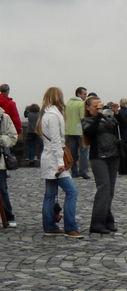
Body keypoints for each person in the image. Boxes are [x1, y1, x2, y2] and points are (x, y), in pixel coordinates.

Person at [36, 87, 81, 238]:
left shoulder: (45, 114)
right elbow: (56, 141)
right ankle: (70, 227)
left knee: (50, 194)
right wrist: (61, 162)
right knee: (71, 192)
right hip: (55, 159)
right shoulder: (54, 115)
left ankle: (49, 225)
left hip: (49, 157)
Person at [82, 95, 123, 235]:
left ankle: (107, 219)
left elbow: (123, 127)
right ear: (88, 108)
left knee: (110, 190)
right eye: (96, 106)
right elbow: (90, 132)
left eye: (100, 105)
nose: (99, 108)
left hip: (114, 155)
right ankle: (97, 223)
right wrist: (99, 115)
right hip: (99, 156)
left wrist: (116, 112)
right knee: (103, 189)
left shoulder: (109, 118)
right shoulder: (87, 120)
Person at [65, 87, 89, 179]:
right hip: (80, 131)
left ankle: (74, 171)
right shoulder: (81, 104)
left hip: (70, 131)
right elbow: (83, 118)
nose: (86, 96)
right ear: (79, 94)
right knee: (84, 152)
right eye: (84, 94)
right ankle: (83, 171)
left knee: (72, 152)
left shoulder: (68, 104)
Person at [0, 105, 17, 227]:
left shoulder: (4, 118)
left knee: (2, 189)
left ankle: (8, 216)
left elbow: (13, 137)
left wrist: (1, 139)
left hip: (0, 160)